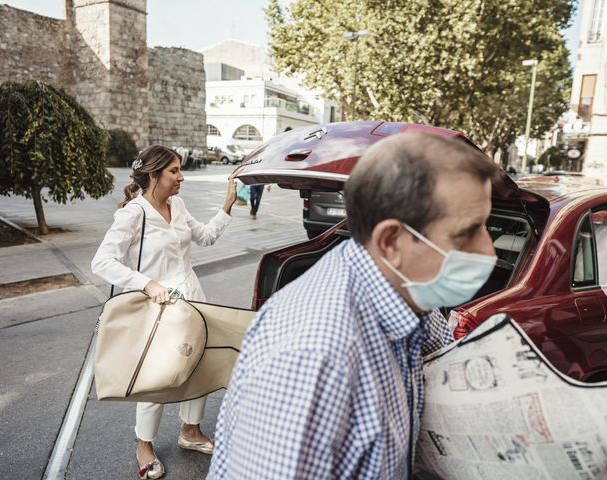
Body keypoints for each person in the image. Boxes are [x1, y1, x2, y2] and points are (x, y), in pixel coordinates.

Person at [209, 132, 499, 479]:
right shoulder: (313, 354)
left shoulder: (410, 295)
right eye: (468, 231)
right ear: (391, 241)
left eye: (487, 227)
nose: (489, 251)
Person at [91, 145, 236, 480]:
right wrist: (146, 283)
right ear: (153, 175)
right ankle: (144, 444)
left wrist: (227, 204)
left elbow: (206, 237)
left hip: (193, 301)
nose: (181, 177)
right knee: (156, 376)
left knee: (200, 365)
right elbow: (102, 261)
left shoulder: (179, 205)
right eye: (174, 171)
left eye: (180, 170)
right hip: (158, 308)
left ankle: (191, 430)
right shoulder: (133, 213)